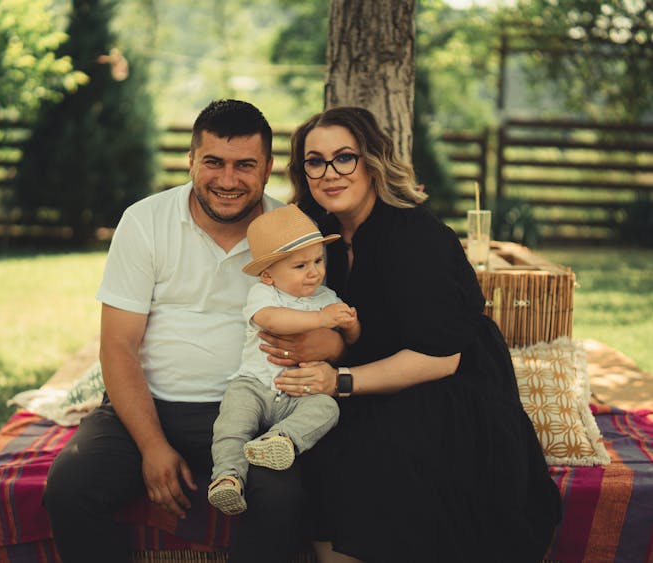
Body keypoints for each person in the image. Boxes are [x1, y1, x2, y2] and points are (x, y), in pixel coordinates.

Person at [43, 99, 345, 563]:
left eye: (245, 165)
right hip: (149, 402)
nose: (227, 180)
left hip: (252, 406)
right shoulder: (145, 221)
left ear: (267, 169)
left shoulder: (291, 231)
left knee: (281, 498)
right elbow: (118, 347)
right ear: (191, 161)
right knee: (69, 489)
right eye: (213, 163)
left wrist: (327, 342)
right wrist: (152, 446)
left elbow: (330, 326)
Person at [260, 106, 562, 563]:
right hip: (370, 377)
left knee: (377, 454)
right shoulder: (315, 234)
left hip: (448, 389)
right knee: (316, 448)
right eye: (314, 161)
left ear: (373, 161)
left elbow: (440, 358)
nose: (329, 173)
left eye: (345, 157)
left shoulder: (417, 238)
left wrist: (338, 381)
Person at [208, 204, 360, 516]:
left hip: (298, 394)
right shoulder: (265, 296)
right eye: (300, 266)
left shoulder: (327, 297)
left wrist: (351, 325)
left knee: (327, 408)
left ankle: (281, 441)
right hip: (253, 385)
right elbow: (273, 321)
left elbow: (350, 342)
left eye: (318, 260)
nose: (315, 271)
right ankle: (227, 478)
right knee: (232, 424)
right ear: (268, 274)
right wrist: (321, 319)